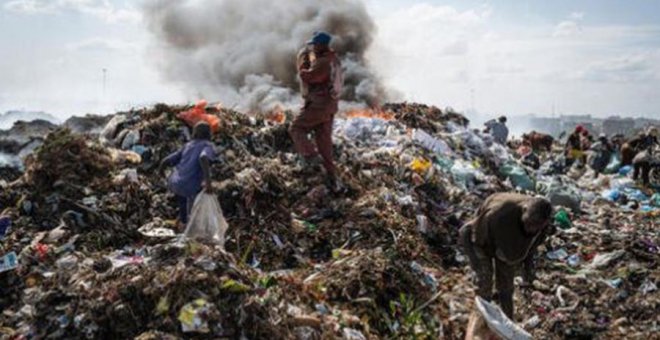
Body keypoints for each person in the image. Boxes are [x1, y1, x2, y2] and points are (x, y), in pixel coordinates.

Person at [459, 193, 553, 318]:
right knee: (484, 285)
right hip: (483, 242)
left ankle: (508, 323)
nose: (531, 229)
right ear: (524, 210)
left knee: (506, 289)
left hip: (507, 249)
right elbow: (465, 231)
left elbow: (531, 248)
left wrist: (528, 270)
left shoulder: (542, 227)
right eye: (529, 223)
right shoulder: (498, 214)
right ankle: (481, 320)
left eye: (536, 226)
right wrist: (475, 262)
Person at [289, 31, 343, 191]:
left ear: (322, 45)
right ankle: (333, 181)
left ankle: (311, 157)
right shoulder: (335, 60)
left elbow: (309, 77)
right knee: (324, 145)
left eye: (314, 45)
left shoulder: (323, 62)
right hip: (330, 107)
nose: (312, 48)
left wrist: (303, 66)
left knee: (296, 128)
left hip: (319, 105)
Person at [159, 122, 216, 227]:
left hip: (175, 183)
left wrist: (161, 173)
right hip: (190, 187)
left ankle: (183, 221)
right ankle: (192, 225)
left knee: (182, 199)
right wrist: (208, 182)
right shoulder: (208, 146)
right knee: (194, 201)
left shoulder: (187, 145)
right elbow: (203, 157)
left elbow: (166, 161)